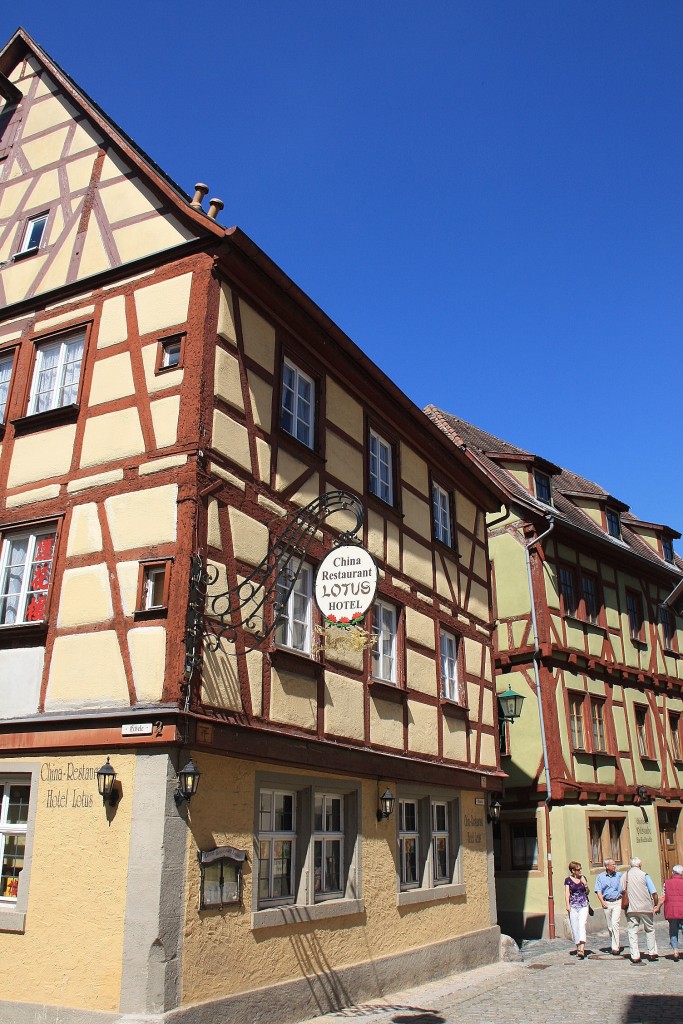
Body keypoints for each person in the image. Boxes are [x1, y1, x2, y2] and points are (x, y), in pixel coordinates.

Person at [620, 856, 658, 964]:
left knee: (632, 931)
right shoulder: (644, 875)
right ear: (640, 865)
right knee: (650, 929)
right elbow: (653, 892)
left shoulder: (625, 876)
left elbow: (621, 891)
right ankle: (652, 952)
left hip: (631, 908)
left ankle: (635, 956)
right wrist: (655, 904)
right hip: (646, 907)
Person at [595, 858, 623, 954]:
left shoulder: (619, 875)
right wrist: (602, 902)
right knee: (610, 926)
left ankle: (616, 947)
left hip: (617, 901)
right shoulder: (600, 877)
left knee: (615, 923)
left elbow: (624, 888)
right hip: (607, 902)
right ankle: (614, 943)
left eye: (615, 864)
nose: (614, 866)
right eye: (612, 864)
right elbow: (598, 890)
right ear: (606, 866)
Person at [655, 864, 683, 961]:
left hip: (672, 911)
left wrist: (658, 907)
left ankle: (675, 951)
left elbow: (663, 897)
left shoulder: (666, 883)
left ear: (673, 873)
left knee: (673, 931)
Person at [565, 860, 590, 959]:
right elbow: (567, 894)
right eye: (578, 870)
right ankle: (578, 947)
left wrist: (585, 884)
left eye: (580, 869)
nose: (580, 871)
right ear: (573, 871)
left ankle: (582, 948)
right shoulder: (568, 880)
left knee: (582, 925)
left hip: (583, 905)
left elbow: (587, 892)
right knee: (575, 927)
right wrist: (568, 905)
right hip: (573, 906)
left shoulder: (583, 878)